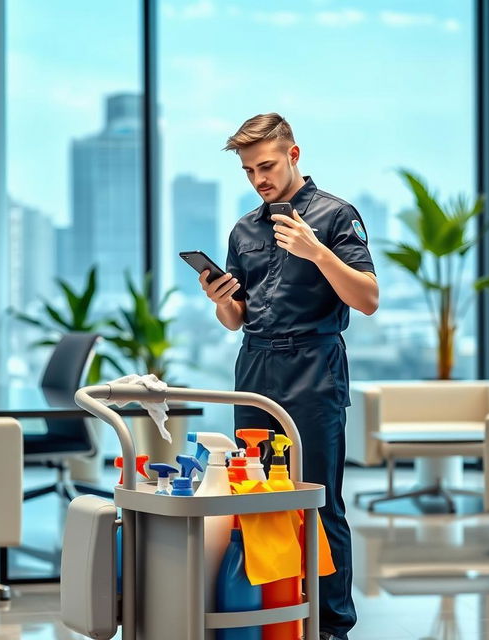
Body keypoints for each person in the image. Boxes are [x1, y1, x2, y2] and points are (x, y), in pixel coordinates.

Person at [199, 113, 378, 640]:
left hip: (313, 369)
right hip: (255, 367)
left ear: (294, 155)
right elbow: (238, 319)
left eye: (268, 165)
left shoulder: (336, 215)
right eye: (250, 170)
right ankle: (272, 614)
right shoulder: (244, 230)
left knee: (320, 500)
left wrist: (316, 251)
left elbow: (367, 300)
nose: (259, 179)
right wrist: (221, 303)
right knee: (255, 497)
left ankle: (331, 626)